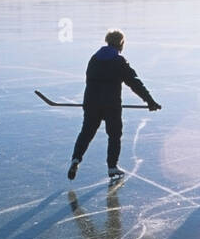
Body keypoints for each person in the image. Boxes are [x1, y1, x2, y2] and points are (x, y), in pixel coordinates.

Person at [68, 29, 160, 182]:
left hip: (91, 102)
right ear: (121, 44)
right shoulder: (119, 61)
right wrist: (150, 101)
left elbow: (89, 80)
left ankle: (76, 159)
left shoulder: (94, 59)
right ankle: (112, 166)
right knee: (114, 135)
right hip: (111, 104)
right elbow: (134, 83)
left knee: (86, 132)